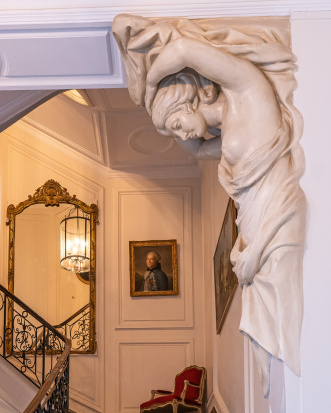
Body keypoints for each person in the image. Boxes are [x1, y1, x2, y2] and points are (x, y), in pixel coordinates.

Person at [113, 16, 306, 392]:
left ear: (189, 100)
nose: (181, 135)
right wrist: (166, 119)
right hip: (255, 222)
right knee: (264, 328)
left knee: (281, 311)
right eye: (175, 132)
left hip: (277, 218)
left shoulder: (248, 89)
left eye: (177, 124)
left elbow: (184, 50)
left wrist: (151, 88)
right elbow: (198, 149)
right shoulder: (224, 130)